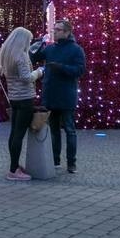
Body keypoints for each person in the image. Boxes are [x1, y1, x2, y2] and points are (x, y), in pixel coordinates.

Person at [30, 19, 86, 174]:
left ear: (67, 32)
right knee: (54, 130)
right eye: (54, 29)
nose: (55, 32)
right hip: (51, 94)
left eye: (58, 30)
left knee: (69, 130)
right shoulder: (50, 48)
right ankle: (55, 160)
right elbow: (34, 58)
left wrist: (62, 68)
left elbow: (80, 70)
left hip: (66, 95)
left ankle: (71, 163)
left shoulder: (76, 50)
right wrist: (36, 45)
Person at [0, 26, 44, 181]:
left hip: (14, 97)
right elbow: (26, 78)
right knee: (19, 134)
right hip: (25, 98)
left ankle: (14, 165)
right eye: (29, 41)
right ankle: (13, 170)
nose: (29, 44)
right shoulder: (21, 56)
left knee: (14, 133)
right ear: (23, 41)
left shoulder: (6, 54)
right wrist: (39, 72)